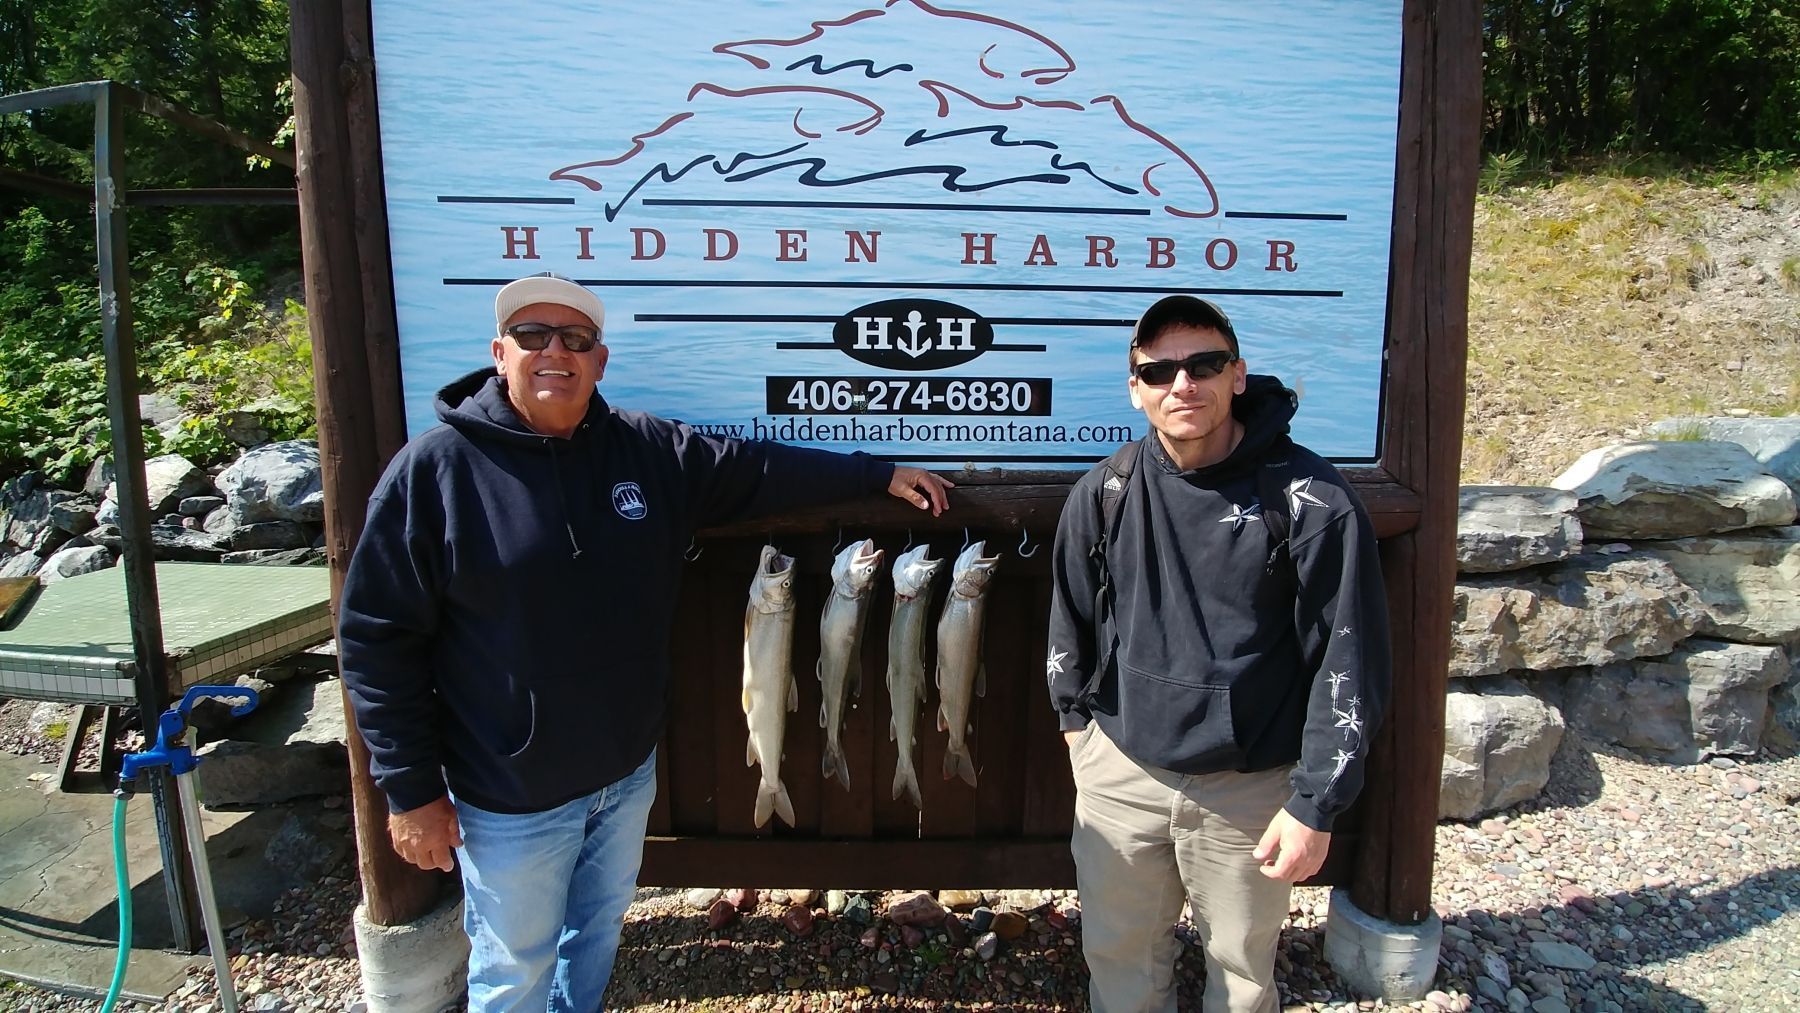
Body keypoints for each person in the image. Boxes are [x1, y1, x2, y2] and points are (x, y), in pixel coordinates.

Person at [337, 272, 953, 1011]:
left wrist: (877, 472)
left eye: (576, 339)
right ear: (500, 353)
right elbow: (375, 639)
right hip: (509, 795)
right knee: (514, 967)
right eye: (533, 337)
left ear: (600, 360)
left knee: (593, 936)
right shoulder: (433, 472)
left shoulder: (646, 450)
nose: (554, 351)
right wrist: (410, 791)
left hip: (624, 776)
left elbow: (759, 468)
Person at [1045, 295, 1391, 1013]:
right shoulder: (1106, 489)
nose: (1183, 384)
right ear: (1134, 388)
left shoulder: (1311, 498)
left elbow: (1349, 657)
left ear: (1237, 374)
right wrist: (1080, 734)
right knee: (1119, 960)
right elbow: (1069, 621)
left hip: (1250, 787)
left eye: (1203, 363)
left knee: (1241, 973)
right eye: (1159, 369)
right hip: (1122, 774)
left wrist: (1315, 803)